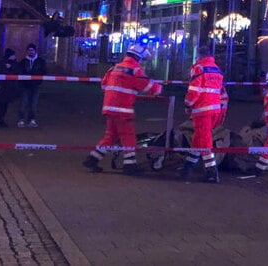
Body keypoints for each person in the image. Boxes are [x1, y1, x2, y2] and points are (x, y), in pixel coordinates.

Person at [82, 43, 163, 174]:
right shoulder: (135, 70)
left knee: (111, 136)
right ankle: (130, 165)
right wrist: (159, 88)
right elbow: (150, 88)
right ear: (139, 57)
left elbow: (103, 85)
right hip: (123, 110)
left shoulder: (114, 68)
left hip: (109, 108)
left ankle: (92, 159)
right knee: (128, 136)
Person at [179, 50, 227, 183]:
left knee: (204, 140)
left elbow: (194, 90)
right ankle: (188, 167)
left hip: (202, 110)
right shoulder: (217, 69)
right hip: (214, 109)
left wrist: (188, 104)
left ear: (199, 56)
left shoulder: (199, 68)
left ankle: (212, 172)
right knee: (199, 138)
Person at [17, 43, 46, 128]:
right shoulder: (23, 62)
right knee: (23, 102)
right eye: (29, 50)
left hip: (35, 85)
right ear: (27, 51)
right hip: (25, 85)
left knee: (34, 104)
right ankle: (21, 119)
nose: (31, 52)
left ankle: (31, 120)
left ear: (35, 51)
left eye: (32, 50)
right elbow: (20, 72)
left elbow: (44, 71)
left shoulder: (41, 61)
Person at [0, 48, 20, 128]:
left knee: (5, 104)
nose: (14, 56)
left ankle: (1, 119)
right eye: (13, 55)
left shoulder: (14, 64)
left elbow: (18, 71)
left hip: (9, 87)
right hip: (3, 87)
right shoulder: (2, 64)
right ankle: (0, 119)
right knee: (2, 104)